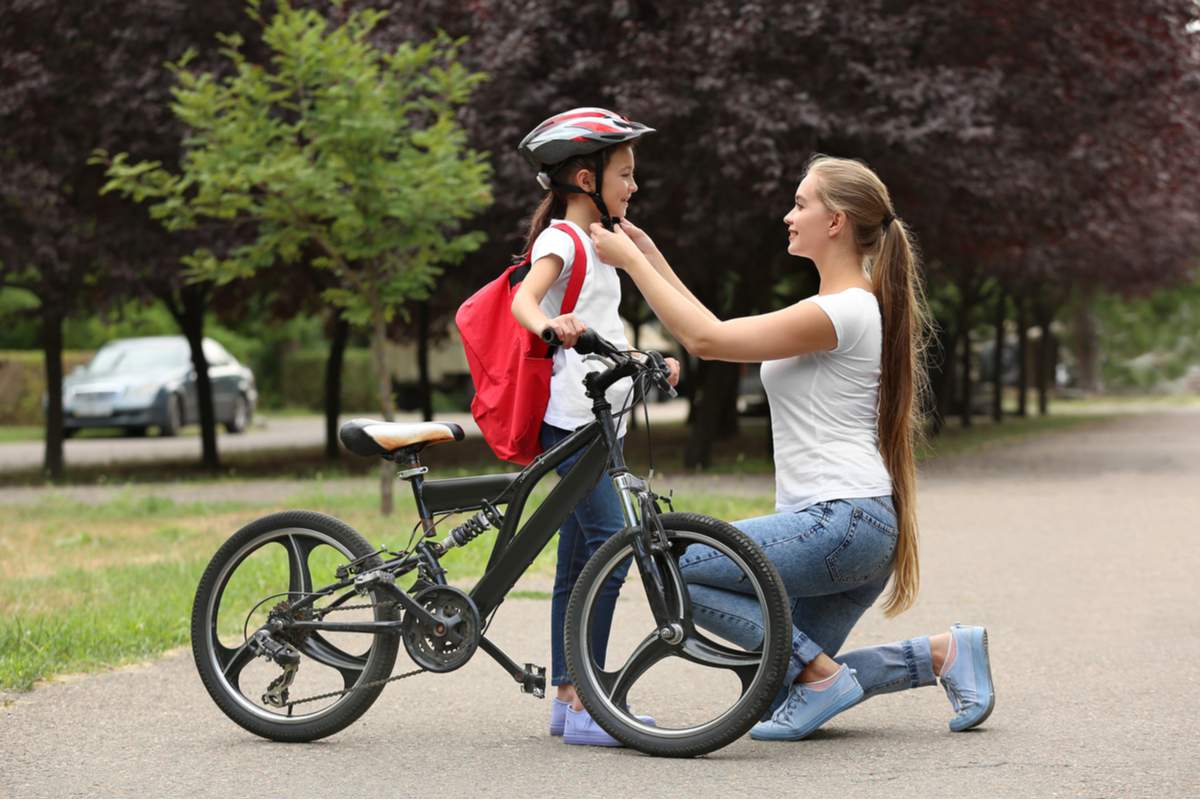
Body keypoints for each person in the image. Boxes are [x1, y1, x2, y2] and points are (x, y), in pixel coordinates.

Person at [588, 154, 994, 741]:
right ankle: (940, 655)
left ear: (836, 222)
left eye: (800, 203)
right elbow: (712, 325)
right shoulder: (837, 309)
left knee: (662, 559)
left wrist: (630, 265)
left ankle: (818, 672)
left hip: (838, 524)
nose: (788, 215)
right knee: (776, 684)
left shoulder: (843, 311)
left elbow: (707, 339)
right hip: (853, 531)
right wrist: (649, 258)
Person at [510, 107, 680, 746]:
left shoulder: (605, 244)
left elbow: (602, 332)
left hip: (592, 422)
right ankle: (588, 702)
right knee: (612, 547)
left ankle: (566, 699)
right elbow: (528, 299)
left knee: (578, 561)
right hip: (568, 426)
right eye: (625, 174)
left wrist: (647, 360)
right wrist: (550, 326)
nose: (634, 186)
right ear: (586, 178)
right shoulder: (563, 239)